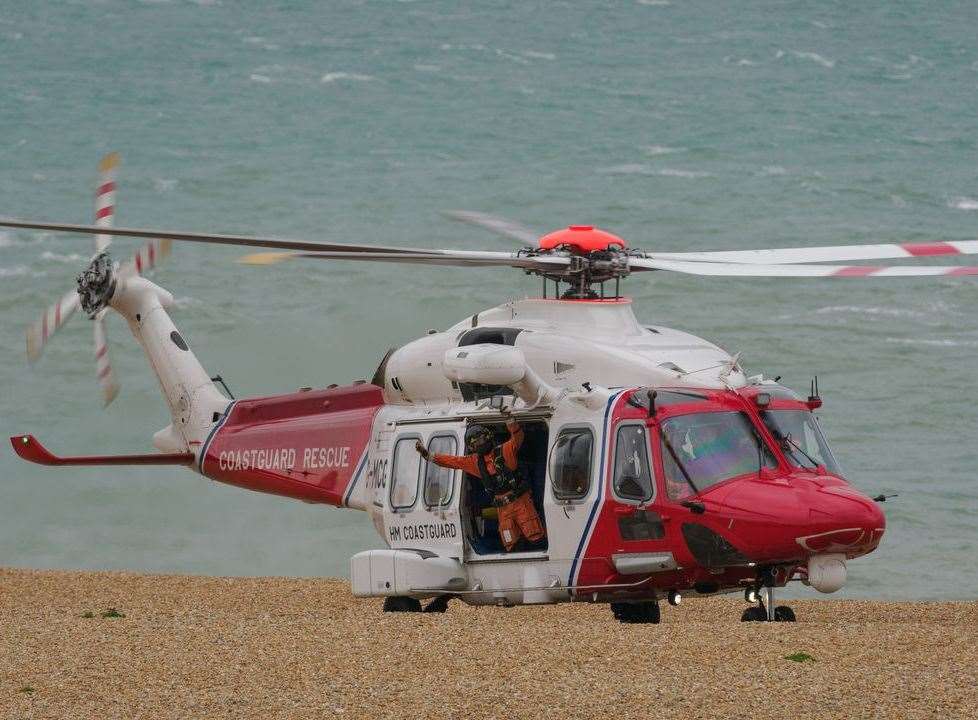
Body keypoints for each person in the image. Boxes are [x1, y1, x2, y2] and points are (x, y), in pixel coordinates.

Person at [415, 419, 545, 552]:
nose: (480, 444)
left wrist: (510, 421)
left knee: (535, 538)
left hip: (521, 503)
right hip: (503, 509)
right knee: (511, 544)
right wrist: (429, 456)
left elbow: (517, 438)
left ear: (488, 437)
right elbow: (453, 462)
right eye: (476, 443)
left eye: (482, 439)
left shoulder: (506, 450)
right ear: (472, 448)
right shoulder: (475, 462)